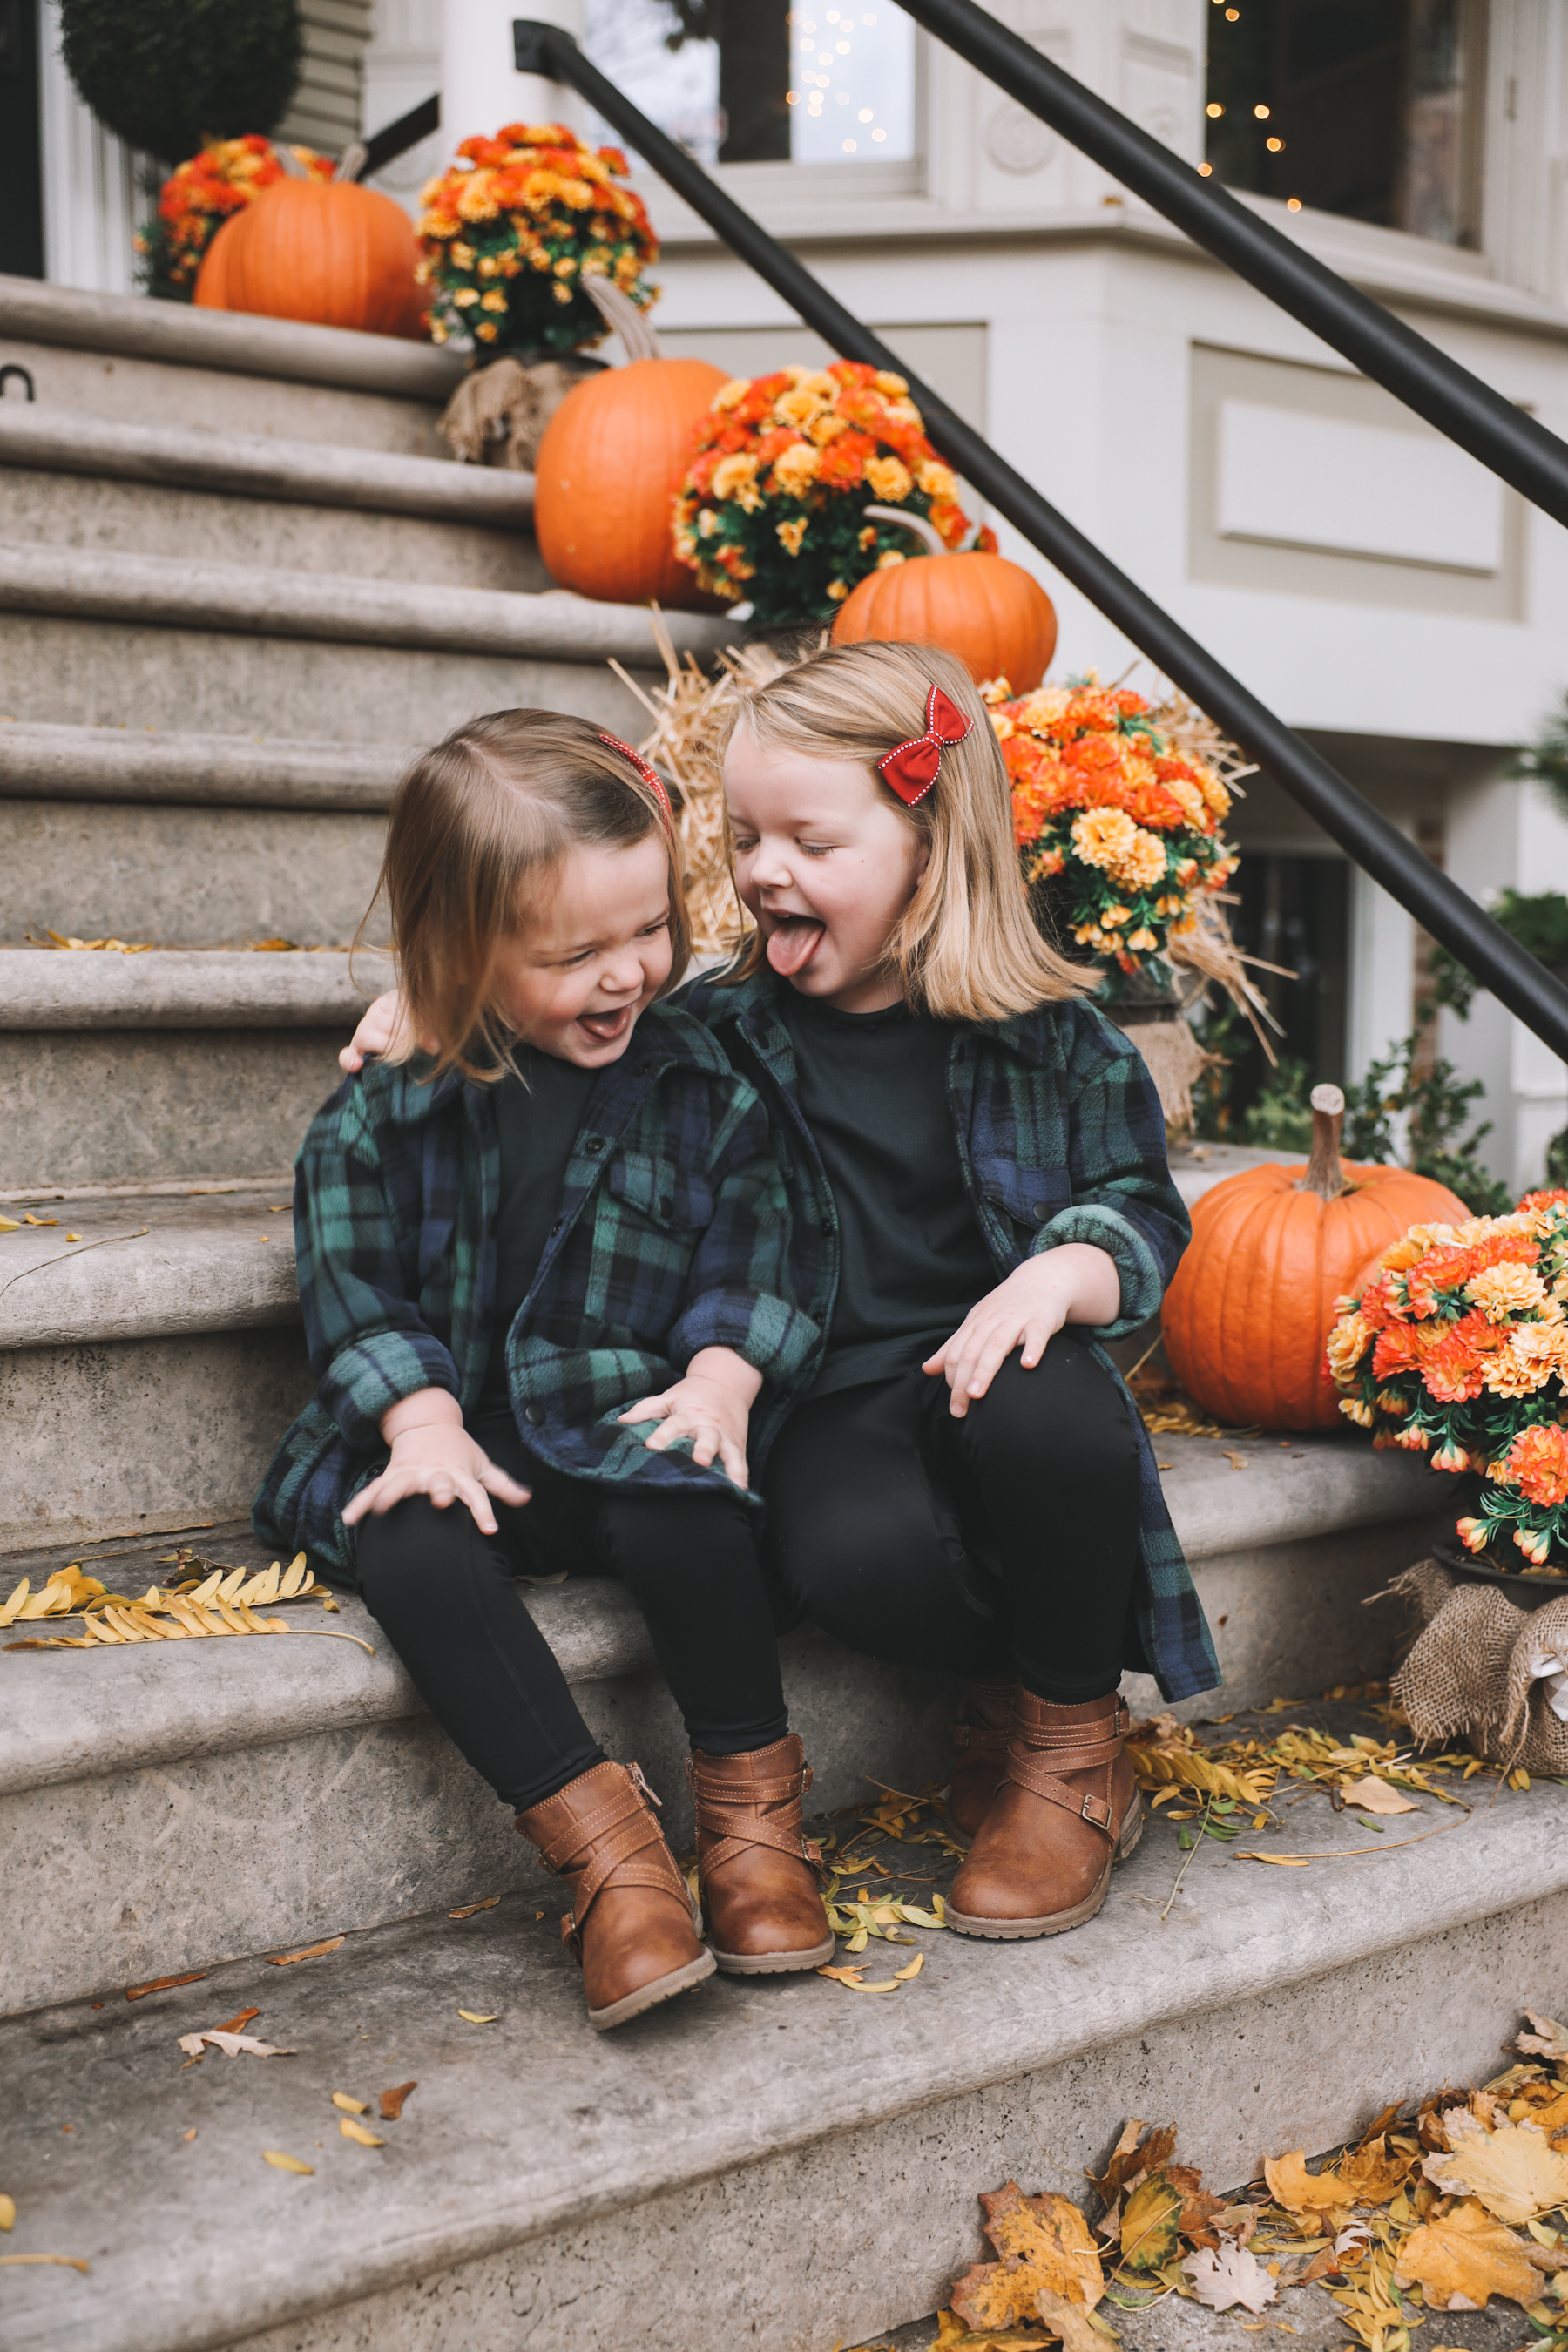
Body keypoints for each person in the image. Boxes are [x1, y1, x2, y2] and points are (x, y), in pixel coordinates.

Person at [344, 646, 1220, 1945]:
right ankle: (1006, 1681)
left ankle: (1074, 1749)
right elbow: (556, 1002)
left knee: (1050, 1412)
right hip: (822, 1394)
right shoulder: (711, 1032)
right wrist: (433, 997)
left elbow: (1141, 1207)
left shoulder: (1055, 1035)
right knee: (841, 1561)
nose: (762, 870)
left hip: (995, 1362)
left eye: (808, 839)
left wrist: (1065, 1269)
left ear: (930, 844)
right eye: (747, 835)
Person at [258, 709, 834, 2033]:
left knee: (691, 1496)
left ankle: (751, 1820)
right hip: (451, 1430)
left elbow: (768, 1241)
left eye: (650, 932)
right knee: (408, 1545)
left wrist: (722, 1379)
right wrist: (417, 1423)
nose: (629, 973)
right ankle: (610, 1857)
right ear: (463, 950)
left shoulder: (707, 1076)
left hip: (621, 1412)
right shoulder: (387, 1104)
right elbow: (351, 1280)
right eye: (576, 953)